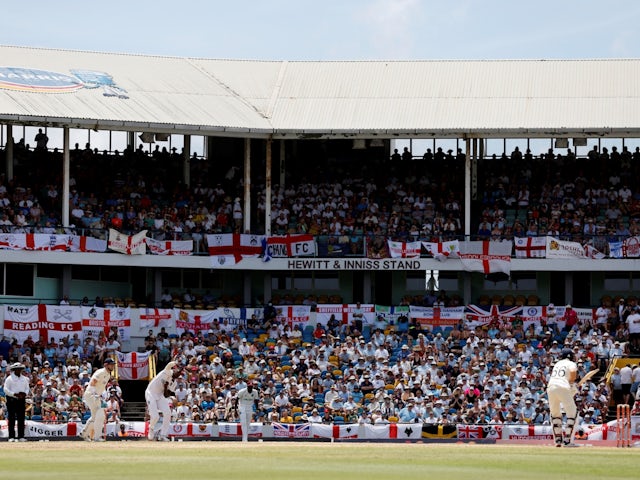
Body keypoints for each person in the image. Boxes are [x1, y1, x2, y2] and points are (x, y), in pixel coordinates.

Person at [547, 348, 578, 447]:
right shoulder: (571, 364)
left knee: (555, 413)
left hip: (551, 387)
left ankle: (558, 440)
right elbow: (573, 372)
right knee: (572, 413)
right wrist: (572, 384)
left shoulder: (557, 363)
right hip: (563, 386)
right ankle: (568, 440)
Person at [80, 357, 115, 442]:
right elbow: (93, 382)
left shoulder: (108, 374)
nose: (113, 366)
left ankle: (84, 433)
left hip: (96, 395)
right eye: (111, 365)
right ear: (106, 365)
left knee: (96, 416)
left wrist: (102, 395)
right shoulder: (100, 372)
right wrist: (95, 393)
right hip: (91, 394)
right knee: (100, 415)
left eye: (113, 365)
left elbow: (102, 386)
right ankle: (97, 437)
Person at [145, 360, 182, 441]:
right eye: (177, 371)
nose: (178, 374)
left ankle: (163, 435)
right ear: (174, 369)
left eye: (179, 373)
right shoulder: (167, 371)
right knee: (155, 417)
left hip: (160, 395)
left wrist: (165, 387)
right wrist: (176, 363)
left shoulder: (174, 383)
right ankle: (151, 428)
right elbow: (169, 365)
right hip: (150, 392)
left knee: (168, 413)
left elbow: (166, 395)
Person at [3, 362, 31, 442]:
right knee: (11, 418)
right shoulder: (9, 378)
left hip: (21, 400)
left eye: (20, 369)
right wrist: (14, 394)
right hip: (12, 400)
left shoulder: (24, 379)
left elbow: (27, 388)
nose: (19, 371)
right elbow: (6, 389)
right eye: (17, 369)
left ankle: (21, 436)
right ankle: (11, 436)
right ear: (14, 370)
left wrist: (24, 394)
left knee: (21, 418)